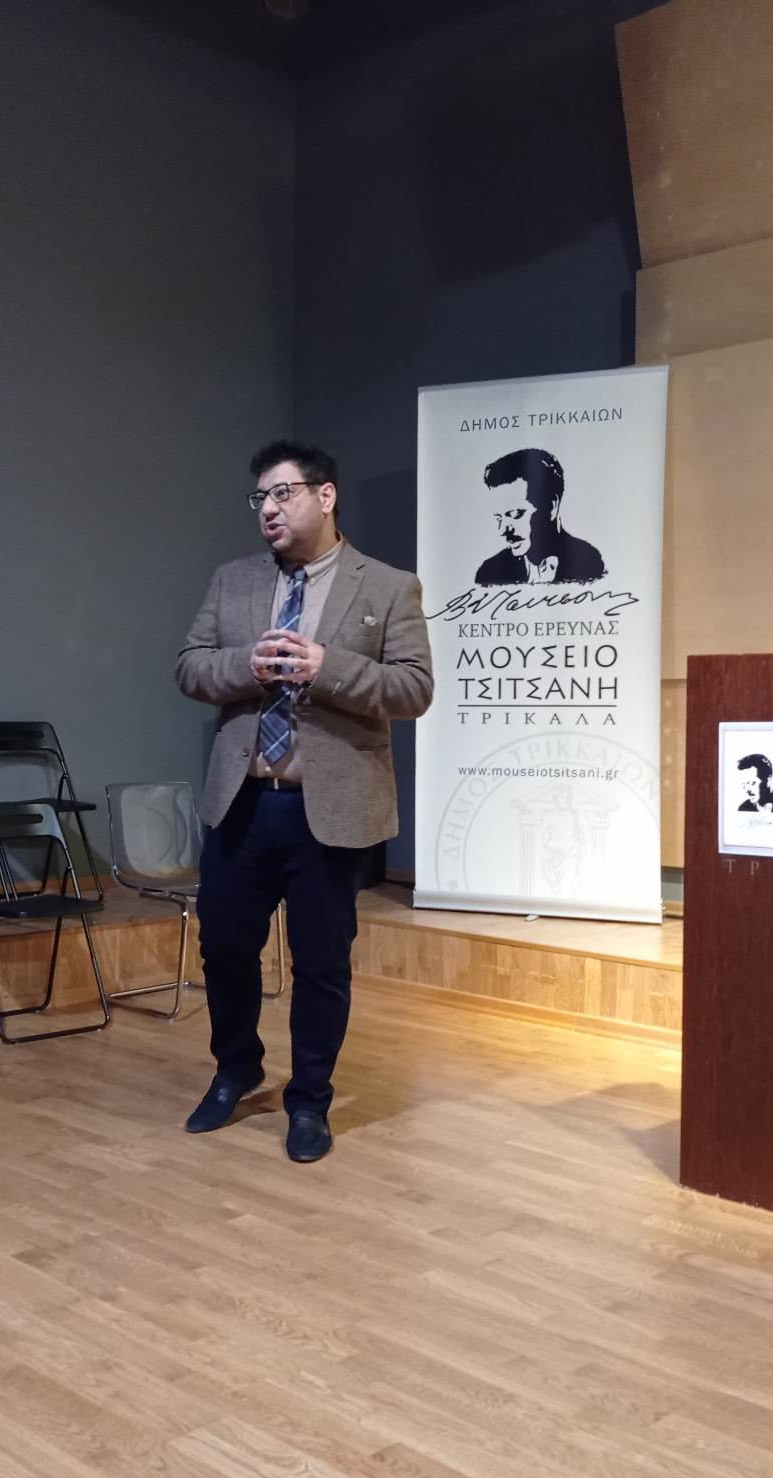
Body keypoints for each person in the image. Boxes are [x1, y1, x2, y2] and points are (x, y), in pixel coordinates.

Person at [174, 441, 434, 1162]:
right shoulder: (232, 581)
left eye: (282, 493)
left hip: (330, 808)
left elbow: (414, 688)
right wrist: (245, 666)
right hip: (242, 803)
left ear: (325, 496)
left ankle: (310, 1099)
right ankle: (236, 1069)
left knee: (322, 963)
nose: (268, 508)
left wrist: (329, 668)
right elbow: (190, 667)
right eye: (259, 497)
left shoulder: (388, 587)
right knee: (226, 949)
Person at [474, 447, 607, 586]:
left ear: (552, 507)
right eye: (499, 518)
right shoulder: (488, 573)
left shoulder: (590, 562)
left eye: (516, 515)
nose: (503, 531)